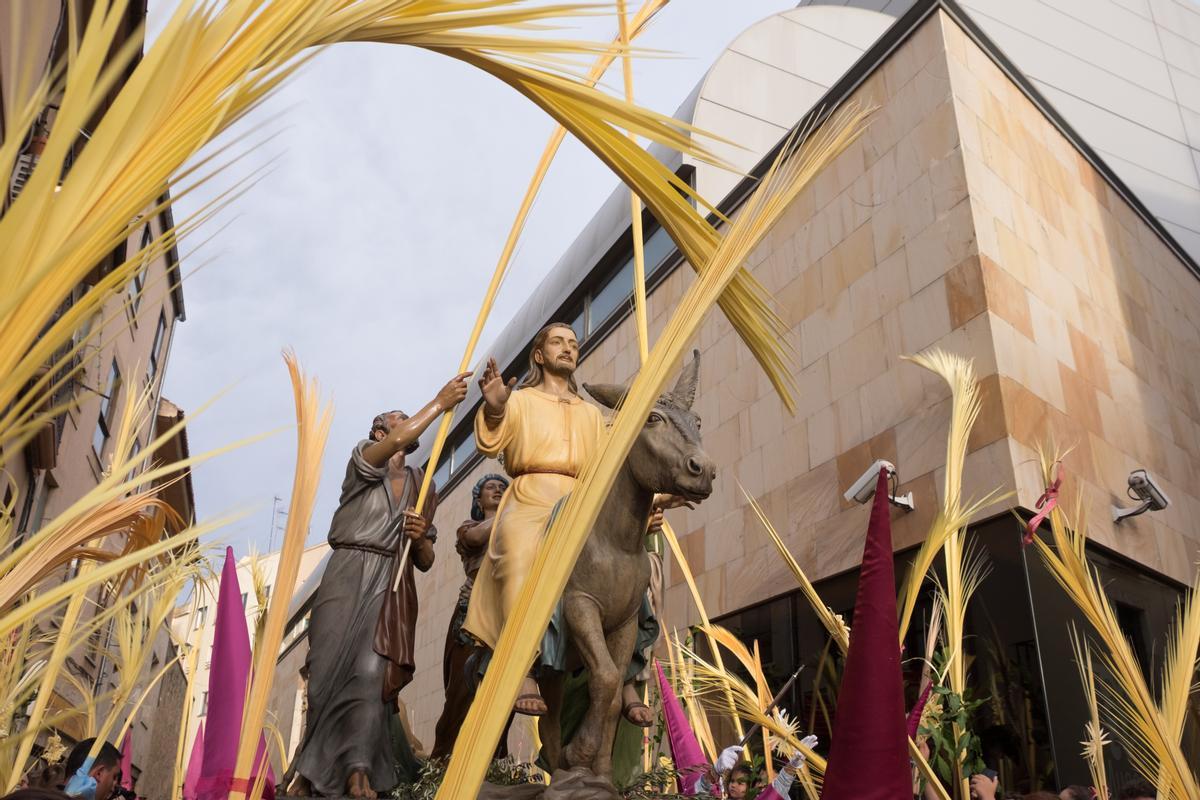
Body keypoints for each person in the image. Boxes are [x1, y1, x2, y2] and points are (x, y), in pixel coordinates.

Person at [285, 372, 470, 799]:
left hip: (390, 580)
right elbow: (403, 433)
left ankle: (358, 770)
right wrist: (439, 403)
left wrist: (420, 534)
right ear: (380, 431)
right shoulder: (363, 461)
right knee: (326, 671)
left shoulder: (424, 485)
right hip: (348, 570)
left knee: (370, 674)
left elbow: (424, 561)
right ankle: (310, 773)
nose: (406, 425)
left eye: (409, 420)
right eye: (398, 420)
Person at [430, 473, 510, 760]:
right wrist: (512, 510)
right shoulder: (470, 528)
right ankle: (441, 759)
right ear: (478, 498)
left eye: (504, 488)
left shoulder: (515, 529)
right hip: (473, 612)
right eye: (492, 487)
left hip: (505, 614)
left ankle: (494, 762)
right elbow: (477, 537)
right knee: (461, 692)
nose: (499, 491)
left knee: (502, 696)